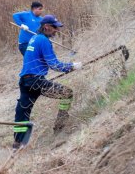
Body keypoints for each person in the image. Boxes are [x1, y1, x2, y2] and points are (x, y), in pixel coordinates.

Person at [12, 15, 83, 150]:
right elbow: (54, 64)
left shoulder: (34, 38)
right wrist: (72, 66)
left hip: (25, 80)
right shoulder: (43, 40)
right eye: (55, 27)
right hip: (35, 81)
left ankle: (17, 144)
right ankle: (59, 127)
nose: (57, 30)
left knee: (23, 112)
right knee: (67, 93)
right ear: (47, 27)